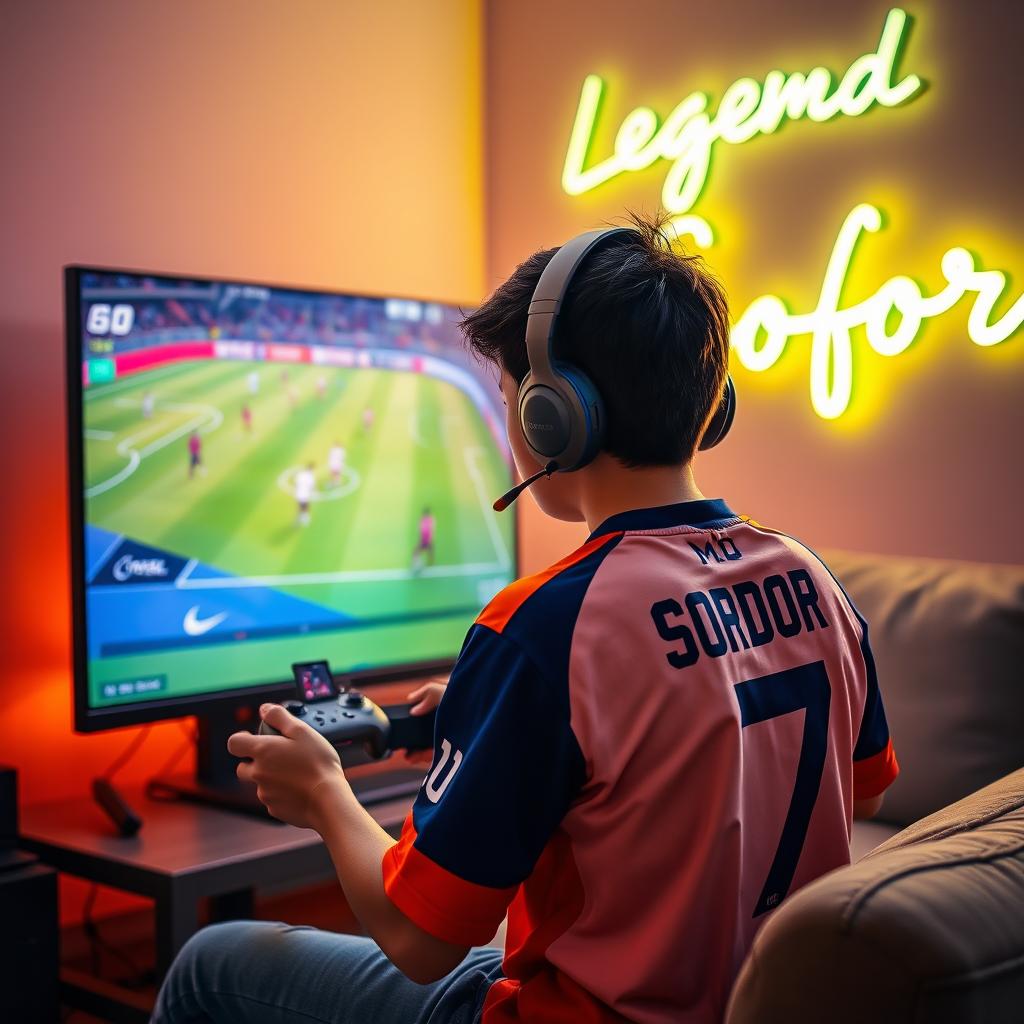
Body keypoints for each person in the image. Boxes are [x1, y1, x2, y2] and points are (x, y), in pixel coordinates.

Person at [154, 214, 899, 1024]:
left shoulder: (545, 628)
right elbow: (849, 794)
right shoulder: (813, 577)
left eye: (511, 397)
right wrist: (523, 740)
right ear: (708, 404)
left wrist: (325, 793)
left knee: (206, 962)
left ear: (556, 416)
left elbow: (418, 940)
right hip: (757, 1004)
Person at [411, 506, 435, 571]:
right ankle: (430, 564)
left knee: (416, 551)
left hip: (425, 539)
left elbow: (422, 530)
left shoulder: (424, 520)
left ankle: (416, 564)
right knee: (429, 551)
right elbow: (431, 529)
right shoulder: (430, 519)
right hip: (427, 539)